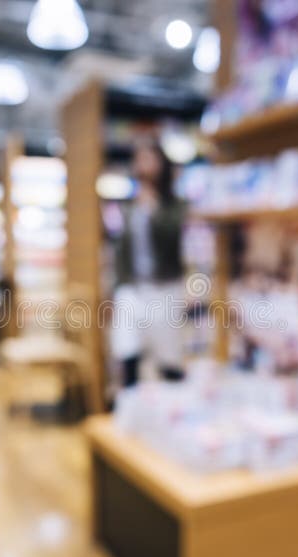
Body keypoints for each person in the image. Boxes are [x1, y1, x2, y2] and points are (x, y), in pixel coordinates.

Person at [110, 137, 186, 387]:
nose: (143, 164)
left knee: (168, 353)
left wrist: (154, 211)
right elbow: (122, 249)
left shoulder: (173, 205)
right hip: (133, 286)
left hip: (164, 287)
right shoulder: (130, 205)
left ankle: (172, 409)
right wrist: (120, 284)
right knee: (127, 346)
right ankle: (128, 405)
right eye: (139, 158)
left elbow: (173, 238)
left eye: (149, 158)